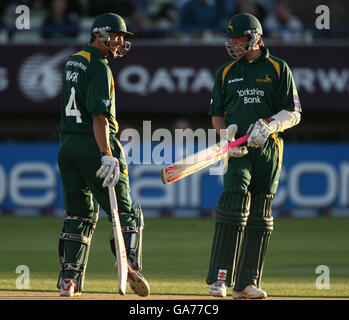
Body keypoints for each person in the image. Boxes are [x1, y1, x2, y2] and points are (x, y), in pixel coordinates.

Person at [207, 13, 301, 299]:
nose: (234, 44)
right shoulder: (225, 71)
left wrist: (270, 124)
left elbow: (294, 113)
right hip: (238, 148)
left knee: (260, 215)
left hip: (269, 149)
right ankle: (220, 279)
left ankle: (246, 284)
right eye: (231, 39)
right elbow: (216, 114)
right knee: (233, 207)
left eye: (240, 39)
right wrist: (225, 137)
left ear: (256, 38)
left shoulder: (278, 68)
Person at [56, 12, 150, 297]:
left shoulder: (74, 59)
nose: (120, 41)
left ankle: (68, 281)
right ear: (99, 34)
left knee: (79, 215)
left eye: (122, 36)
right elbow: (99, 116)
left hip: (67, 145)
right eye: (116, 35)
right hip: (94, 144)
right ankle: (130, 266)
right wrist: (107, 153)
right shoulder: (99, 66)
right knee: (127, 213)